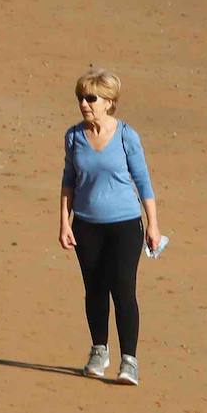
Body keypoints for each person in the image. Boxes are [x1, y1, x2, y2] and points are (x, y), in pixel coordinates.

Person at [58, 69, 161, 386]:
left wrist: (153, 225)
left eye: (91, 98)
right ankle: (99, 351)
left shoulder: (127, 136)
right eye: (81, 98)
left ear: (109, 102)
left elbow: (143, 182)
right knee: (95, 290)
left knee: (123, 290)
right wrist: (64, 222)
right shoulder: (74, 137)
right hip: (87, 226)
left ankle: (129, 361)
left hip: (126, 226)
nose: (84, 104)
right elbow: (68, 182)